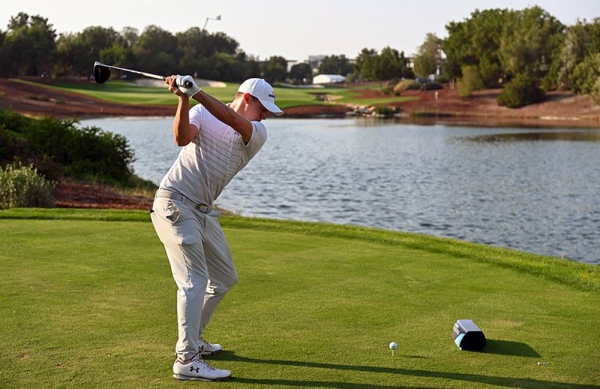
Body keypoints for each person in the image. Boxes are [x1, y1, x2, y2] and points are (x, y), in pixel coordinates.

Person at [150, 75, 283, 381]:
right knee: (194, 279)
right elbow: (182, 139)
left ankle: (193, 340)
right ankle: (187, 358)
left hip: (204, 211)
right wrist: (184, 99)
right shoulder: (200, 110)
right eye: (264, 107)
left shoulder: (257, 132)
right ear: (248, 98)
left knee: (224, 278)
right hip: (175, 202)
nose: (267, 115)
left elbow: (232, 119)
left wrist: (195, 92)